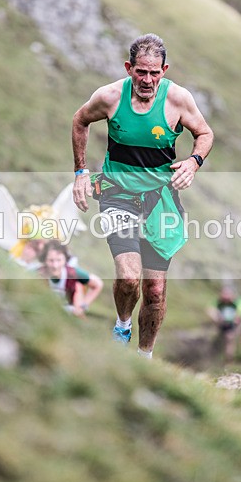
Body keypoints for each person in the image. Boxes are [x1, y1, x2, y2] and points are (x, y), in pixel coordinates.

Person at [71, 33, 214, 359]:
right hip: (117, 194)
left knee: (155, 290)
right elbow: (80, 120)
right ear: (129, 68)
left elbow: (205, 133)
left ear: (164, 70)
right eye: (141, 72)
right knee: (129, 278)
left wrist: (193, 162)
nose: (147, 80)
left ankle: (144, 357)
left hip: (159, 200)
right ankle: (122, 325)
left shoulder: (178, 99)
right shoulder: (109, 97)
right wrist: (81, 173)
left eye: (154, 73)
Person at [39, 240, 102, 319]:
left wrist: (83, 306)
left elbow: (98, 284)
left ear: (65, 259)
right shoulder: (38, 274)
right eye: (51, 260)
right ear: (44, 260)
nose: (55, 265)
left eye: (59, 260)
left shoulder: (72, 273)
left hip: (69, 316)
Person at [208, 286, 240, 363]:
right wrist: (216, 319)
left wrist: (237, 320)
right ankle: (222, 357)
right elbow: (210, 309)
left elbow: (240, 312)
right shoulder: (219, 303)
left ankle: (229, 359)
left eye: (228, 294)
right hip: (221, 323)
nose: (226, 297)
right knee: (224, 340)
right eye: (224, 294)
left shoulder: (234, 303)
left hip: (231, 324)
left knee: (229, 339)